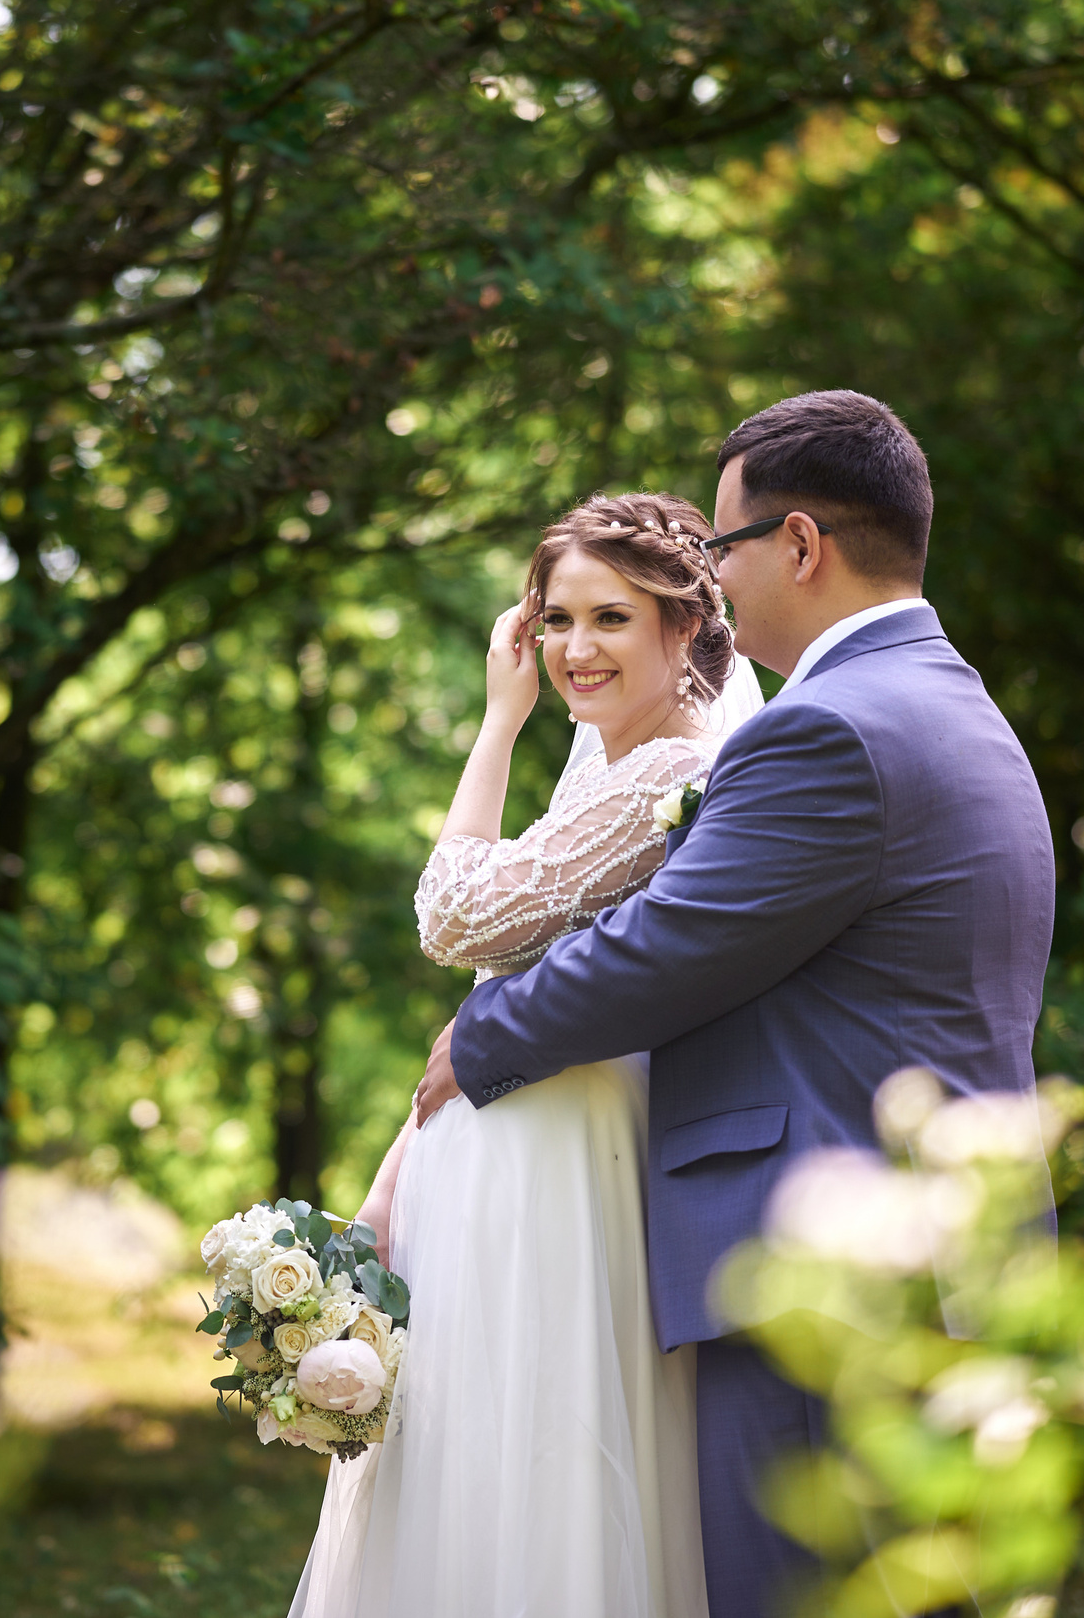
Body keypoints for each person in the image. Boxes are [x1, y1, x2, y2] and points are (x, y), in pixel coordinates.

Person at [412, 389, 1058, 1618]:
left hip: (821, 1257)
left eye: (720, 548)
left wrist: (481, 1032)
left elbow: (670, 943)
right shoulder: (957, 705)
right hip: (941, 1252)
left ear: (802, 544)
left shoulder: (828, 727)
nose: (713, 577)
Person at [288, 492, 749, 1618]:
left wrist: (499, 718)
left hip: (565, 1143)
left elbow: (454, 919)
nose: (573, 649)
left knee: (540, 1435)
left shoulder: (661, 776)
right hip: (509, 1131)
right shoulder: (602, 764)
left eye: (610, 620)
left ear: (683, 627)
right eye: (554, 620)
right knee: (468, 1435)